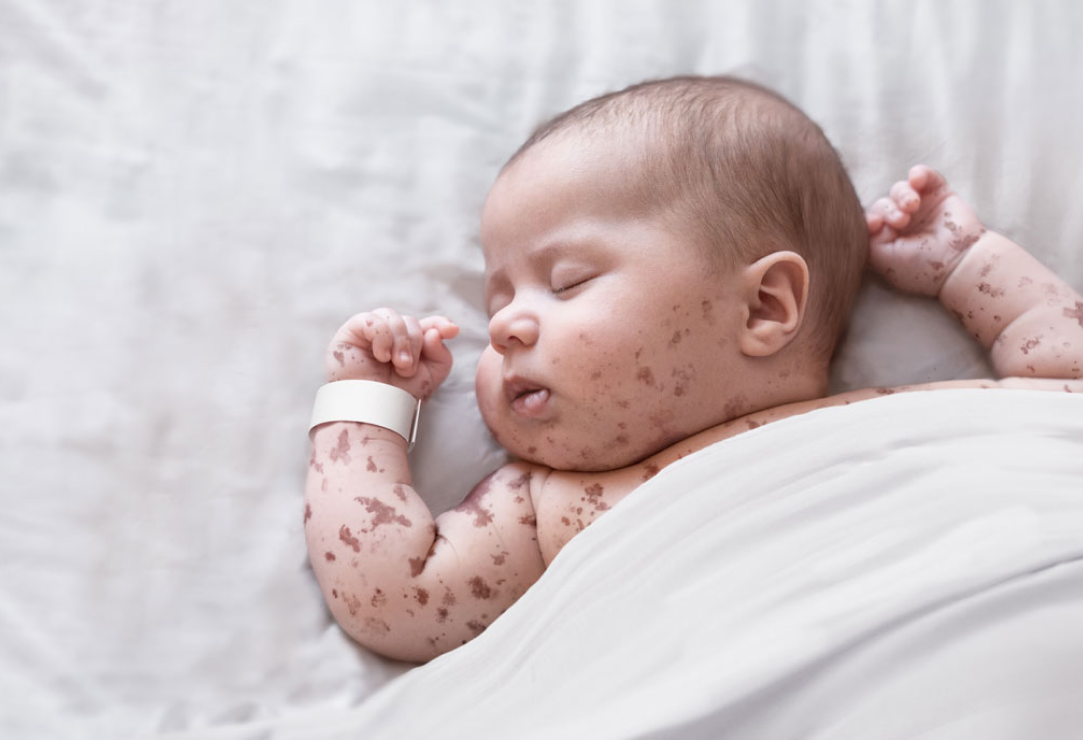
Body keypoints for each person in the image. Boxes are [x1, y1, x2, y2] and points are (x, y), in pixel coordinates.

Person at [303, 75, 1083, 663]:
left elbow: (1064, 395)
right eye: (496, 295)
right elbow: (391, 598)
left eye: (568, 280)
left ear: (763, 308)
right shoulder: (543, 508)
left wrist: (969, 265)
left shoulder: (898, 422)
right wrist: (365, 405)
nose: (503, 324)